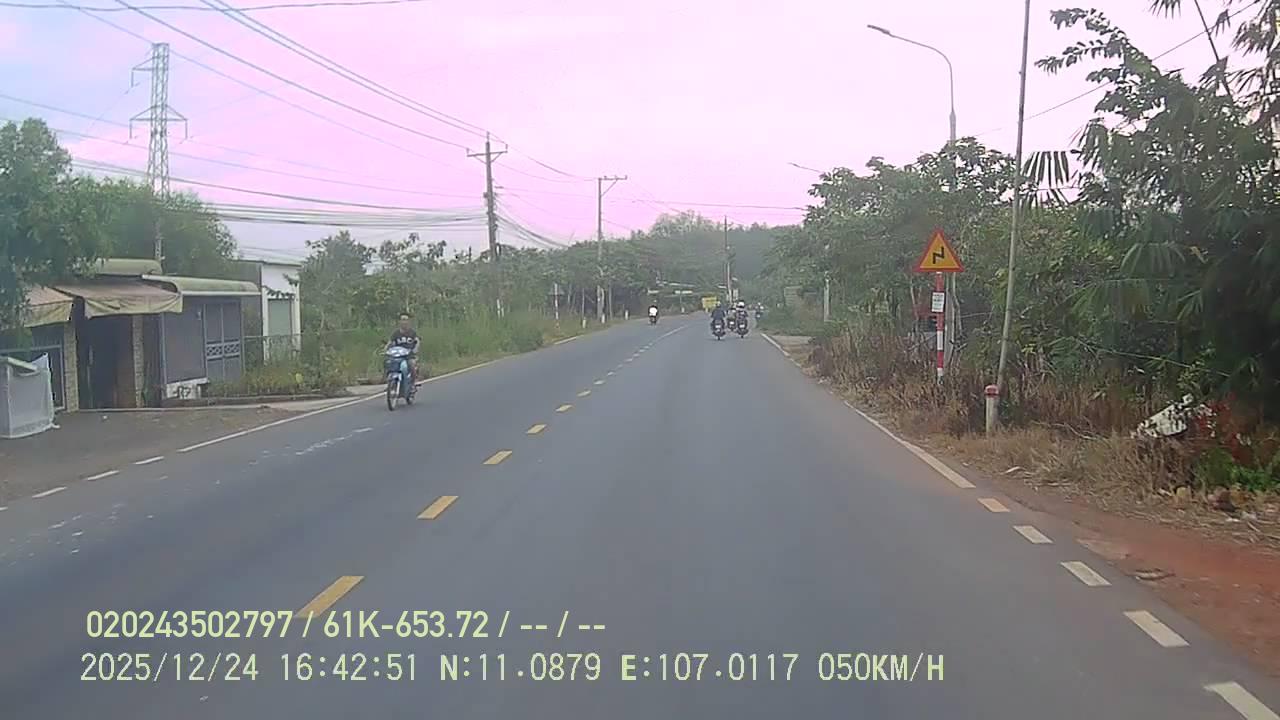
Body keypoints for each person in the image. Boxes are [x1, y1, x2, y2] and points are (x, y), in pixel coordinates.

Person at [388, 313, 420, 383]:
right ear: (399, 321)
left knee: (411, 364)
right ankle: (389, 381)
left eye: (406, 320)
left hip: (409, 355)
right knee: (388, 363)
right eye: (402, 320)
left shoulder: (412, 332)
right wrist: (386, 349)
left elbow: (417, 341)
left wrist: (415, 349)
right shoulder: (395, 333)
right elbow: (390, 342)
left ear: (409, 321)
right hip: (398, 355)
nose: (404, 322)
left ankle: (414, 380)